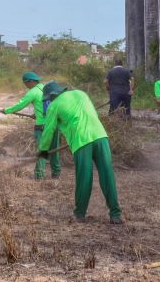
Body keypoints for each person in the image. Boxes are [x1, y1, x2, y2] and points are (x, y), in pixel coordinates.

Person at [38, 82, 123, 224]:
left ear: (50, 96)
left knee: (84, 178)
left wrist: (43, 150)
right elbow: (92, 114)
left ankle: (80, 214)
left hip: (81, 141)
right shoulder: (81, 93)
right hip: (101, 136)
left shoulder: (54, 105)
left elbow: (48, 131)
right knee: (107, 174)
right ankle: (115, 214)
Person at [3, 72, 61, 179]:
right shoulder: (46, 88)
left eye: (25, 83)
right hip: (54, 125)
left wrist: (6, 111)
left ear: (30, 82)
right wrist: (37, 113)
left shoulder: (33, 92)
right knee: (54, 150)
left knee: (42, 151)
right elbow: (47, 106)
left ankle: (39, 176)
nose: (25, 86)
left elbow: (20, 105)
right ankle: (56, 174)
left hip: (42, 127)